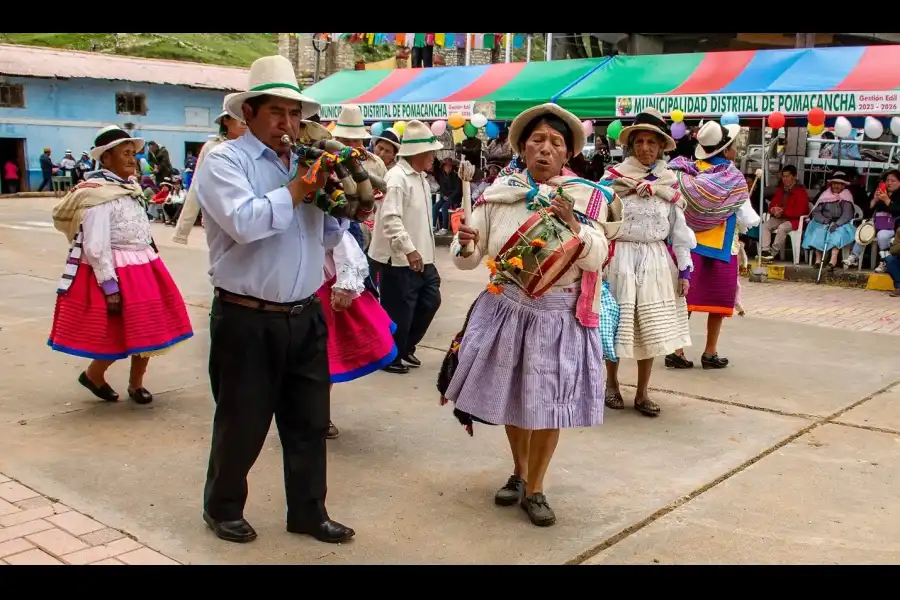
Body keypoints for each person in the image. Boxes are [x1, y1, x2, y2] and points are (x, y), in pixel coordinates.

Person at [193, 55, 353, 545]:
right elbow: (244, 222)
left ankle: (308, 511)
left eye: (295, 114)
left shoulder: (302, 163)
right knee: (242, 421)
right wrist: (301, 187)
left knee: (308, 422)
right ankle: (221, 507)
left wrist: (342, 202)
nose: (289, 125)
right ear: (251, 115)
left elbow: (324, 238)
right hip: (246, 317)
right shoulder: (224, 161)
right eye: (278, 113)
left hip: (305, 314)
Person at [446, 103, 613, 527]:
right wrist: (464, 244)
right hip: (509, 312)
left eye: (556, 143)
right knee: (518, 401)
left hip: (559, 319)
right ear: (521, 147)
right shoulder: (498, 196)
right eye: (537, 140)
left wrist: (574, 227)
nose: (545, 149)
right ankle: (519, 472)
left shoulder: (587, 199)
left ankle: (537, 488)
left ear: (568, 153)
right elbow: (468, 258)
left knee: (550, 406)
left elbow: (598, 257)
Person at [47, 125, 193, 404]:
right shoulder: (98, 196)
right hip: (117, 269)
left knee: (148, 327)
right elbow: (95, 246)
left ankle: (136, 384)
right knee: (115, 332)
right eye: (124, 154)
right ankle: (93, 375)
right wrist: (109, 285)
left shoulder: (131, 189)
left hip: (144, 265)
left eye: (132, 154)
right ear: (105, 159)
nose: (131, 159)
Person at [599, 108, 696, 416]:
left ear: (661, 146)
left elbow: (679, 230)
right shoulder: (612, 179)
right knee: (614, 326)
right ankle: (611, 385)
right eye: (639, 141)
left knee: (650, 331)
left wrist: (684, 269)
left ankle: (642, 393)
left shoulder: (669, 182)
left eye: (651, 142)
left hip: (655, 260)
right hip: (619, 260)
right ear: (631, 145)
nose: (645, 148)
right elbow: (598, 221)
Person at [665, 120, 759, 370]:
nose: (736, 150)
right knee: (718, 301)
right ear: (724, 150)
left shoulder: (683, 173)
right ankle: (710, 352)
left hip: (687, 244)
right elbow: (748, 217)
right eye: (733, 146)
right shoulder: (732, 178)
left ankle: (677, 350)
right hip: (721, 248)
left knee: (684, 300)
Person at [367, 120, 443, 375]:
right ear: (418, 153)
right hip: (398, 257)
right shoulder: (397, 178)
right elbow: (390, 218)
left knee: (430, 300)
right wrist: (409, 249)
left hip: (422, 255)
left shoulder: (419, 177)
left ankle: (406, 346)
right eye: (431, 152)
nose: (434, 157)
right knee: (400, 308)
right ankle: (391, 355)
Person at [172, 108, 248, 244]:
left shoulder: (255, 148)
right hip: (218, 218)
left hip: (249, 215)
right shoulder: (212, 148)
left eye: (247, 118)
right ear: (226, 120)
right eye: (238, 116)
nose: (244, 122)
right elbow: (197, 186)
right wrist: (182, 231)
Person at [844, 169, 900, 272]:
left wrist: (886, 200)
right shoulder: (880, 192)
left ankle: (885, 262)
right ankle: (854, 257)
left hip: (894, 226)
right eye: (887, 180)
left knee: (882, 235)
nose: (889, 183)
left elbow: (897, 211)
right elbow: (866, 212)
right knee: (865, 230)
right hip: (878, 222)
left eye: (893, 181)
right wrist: (874, 200)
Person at [802, 171, 857, 272]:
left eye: (839, 184)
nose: (836, 185)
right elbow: (816, 212)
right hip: (825, 221)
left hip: (841, 223)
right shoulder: (825, 195)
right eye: (835, 183)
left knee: (837, 234)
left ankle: (833, 261)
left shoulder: (846, 197)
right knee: (819, 232)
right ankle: (818, 261)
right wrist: (824, 220)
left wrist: (836, 224)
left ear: (843, 185)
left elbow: (847, 215)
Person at [760, 165, 809, 261]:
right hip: (780, 217)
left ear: (794, 177)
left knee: (782, 228)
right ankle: (765, 250)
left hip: (795, 220)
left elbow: (801, 210)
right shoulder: (781, 190)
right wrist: (774, 210)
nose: (785, 179)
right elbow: (772, 205)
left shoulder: (800, 191)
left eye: (787, 176)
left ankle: (772, 253)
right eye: (783, 176)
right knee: (765, 225)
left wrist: (783, 212)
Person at [433, 157, 462, 234]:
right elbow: (441, 188)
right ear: (444, 166)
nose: (448, 167)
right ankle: (433, 226)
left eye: (450, 166)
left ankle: (444, 228)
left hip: (454, 198)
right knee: (435, 207)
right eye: (446, 166)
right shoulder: (441, 175)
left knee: (444, 207)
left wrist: (450, 197)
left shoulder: (455, 175)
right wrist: (443, 196)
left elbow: (457, 190)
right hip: (445, 196)